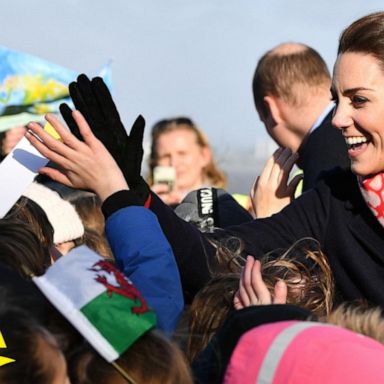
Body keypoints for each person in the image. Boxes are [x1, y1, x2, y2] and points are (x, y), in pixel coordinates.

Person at [27, 14, 384, 311]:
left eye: (359, 101)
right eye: (337, 100)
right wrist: (129, 189)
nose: (338, 119)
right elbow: (211, 257)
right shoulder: (334, 201)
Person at [253, 42, 350, 192]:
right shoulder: (355, 131)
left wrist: (271, 213)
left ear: (271, 109)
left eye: (263, 119)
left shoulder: (324, 160)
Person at [148, 117, 227, 205]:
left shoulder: (225, 206)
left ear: (204, 156)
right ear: (154, 162)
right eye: (165, 156)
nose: (174, 163)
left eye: (182, 154)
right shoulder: (145, 207)